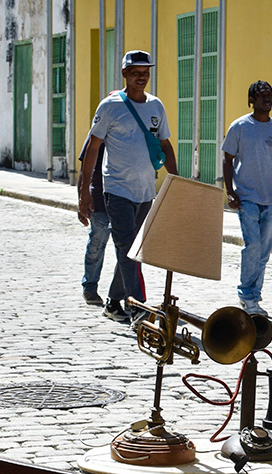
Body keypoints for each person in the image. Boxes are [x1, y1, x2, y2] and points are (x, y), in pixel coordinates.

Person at [78, 50, 177, 324]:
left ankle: (113, 302)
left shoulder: (156, 106)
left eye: (145, 71)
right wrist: (84, 192)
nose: (141, 76)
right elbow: (92, 150)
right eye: (135, 71)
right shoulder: (110, 107)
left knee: (134, 249)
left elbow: (165, 145)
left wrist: (176, 181)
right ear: (124, 73)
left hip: (146, 191)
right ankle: (138, 307)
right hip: (117, 190)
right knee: (126, 248)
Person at [222, 80, 272, 317]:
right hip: (246, 197)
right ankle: (246, 294)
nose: (268, 99)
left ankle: (255, 293)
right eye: (262, 95)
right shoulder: (240, 126)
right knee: (252, 245)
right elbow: (227, 159)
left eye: (270, 95)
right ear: (251, 99)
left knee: (264, 250)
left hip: (269, 199)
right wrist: (230, 191)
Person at [77, 139, 112, 306]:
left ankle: (125, 293)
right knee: (96, 245)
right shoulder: (97, 135)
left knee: (127, 251)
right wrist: (81, 200)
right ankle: (90, 286)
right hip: (99, 199)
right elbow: (84, 170)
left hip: (127, 199)